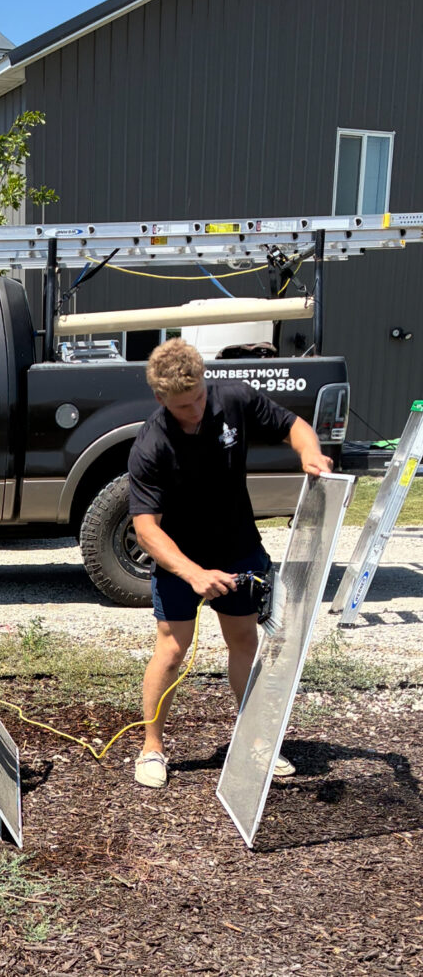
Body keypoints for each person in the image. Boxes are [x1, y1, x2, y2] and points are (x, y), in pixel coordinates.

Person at [127, 338, 333, 788]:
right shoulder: (151, 444)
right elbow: (146, 530)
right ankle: (152, 749)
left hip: (239, 546)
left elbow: (293, 424)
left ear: (205, 382)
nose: (196, 410)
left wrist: (309, 453)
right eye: (183, 406)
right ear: (161, 399)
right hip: (180, 558)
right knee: (172, 647)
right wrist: (192, 573)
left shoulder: (234, 397)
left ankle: (255, 740)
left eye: (199, 398)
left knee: (243, 640)